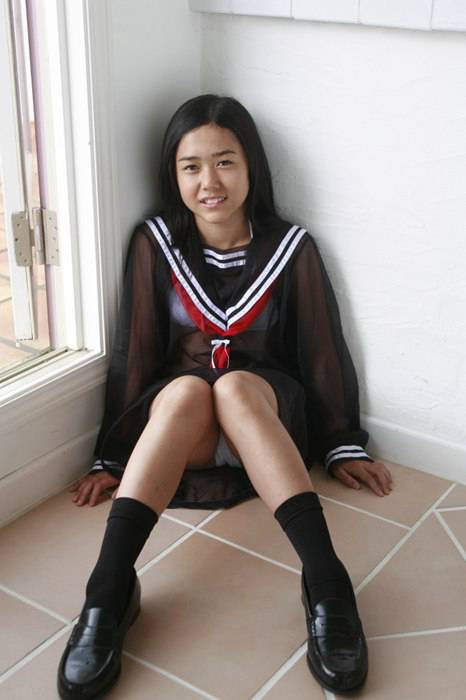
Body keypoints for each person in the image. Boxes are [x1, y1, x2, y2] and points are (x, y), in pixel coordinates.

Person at [57, 94, 393, 698]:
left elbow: (321, 350)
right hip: (186, 427)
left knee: (234, 385)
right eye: (191, 166)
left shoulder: (291, 247)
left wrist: (342, 442)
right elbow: (135, 353)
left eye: (225, 162)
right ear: (173, 174)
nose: (209, 182)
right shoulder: (156, 242)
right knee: (187, 391)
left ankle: (328, 585)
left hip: (262, 421)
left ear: (251, 166)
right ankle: (106, 594)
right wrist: (111, 454)